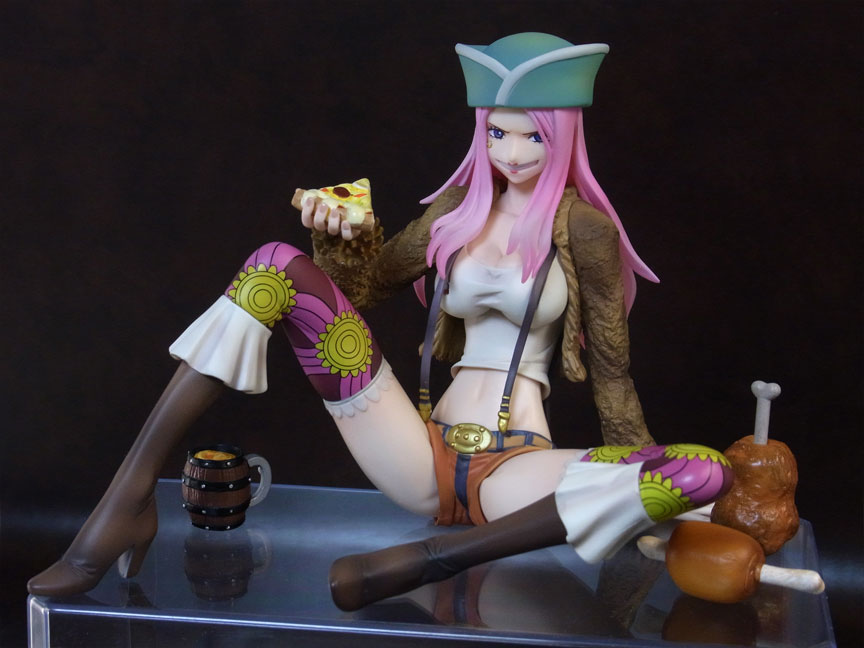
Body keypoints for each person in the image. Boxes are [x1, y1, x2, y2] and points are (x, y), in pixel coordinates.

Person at [28, 33, 732, 602]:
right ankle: (121, 507)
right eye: (497, 133)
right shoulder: (455, 213)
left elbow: (611, 368)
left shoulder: (583, 232)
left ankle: (433, 559)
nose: (512, 154)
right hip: (418, 452)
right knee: (273, 265)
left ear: (565, 135)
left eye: (534, 138)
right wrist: (341, 235)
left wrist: (638, 488)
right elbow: (363, 291)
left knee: (700, 470)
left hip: (516, 469)